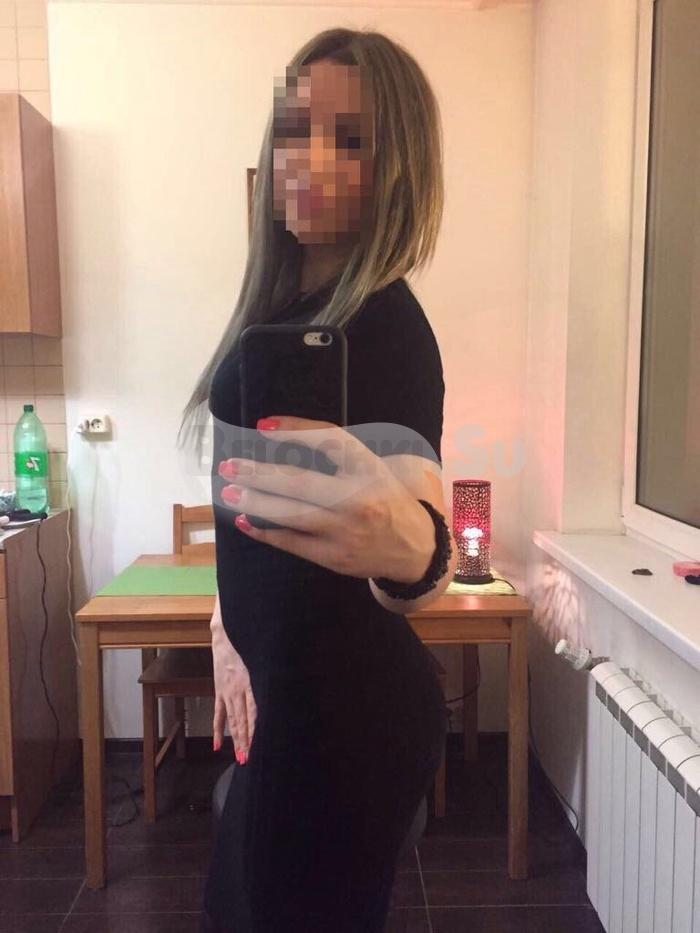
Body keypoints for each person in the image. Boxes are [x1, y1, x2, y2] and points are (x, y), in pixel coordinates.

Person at [178, 26, 458, 933]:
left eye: (352, 140)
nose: (311, 159)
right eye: (297, 129)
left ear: (397, 171)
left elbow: (422, 525)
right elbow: (248, 505)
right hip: (288, 702)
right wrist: (224, 627)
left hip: (346, 722)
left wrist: (414, 548)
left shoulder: (388, 329)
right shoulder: (281, 313)